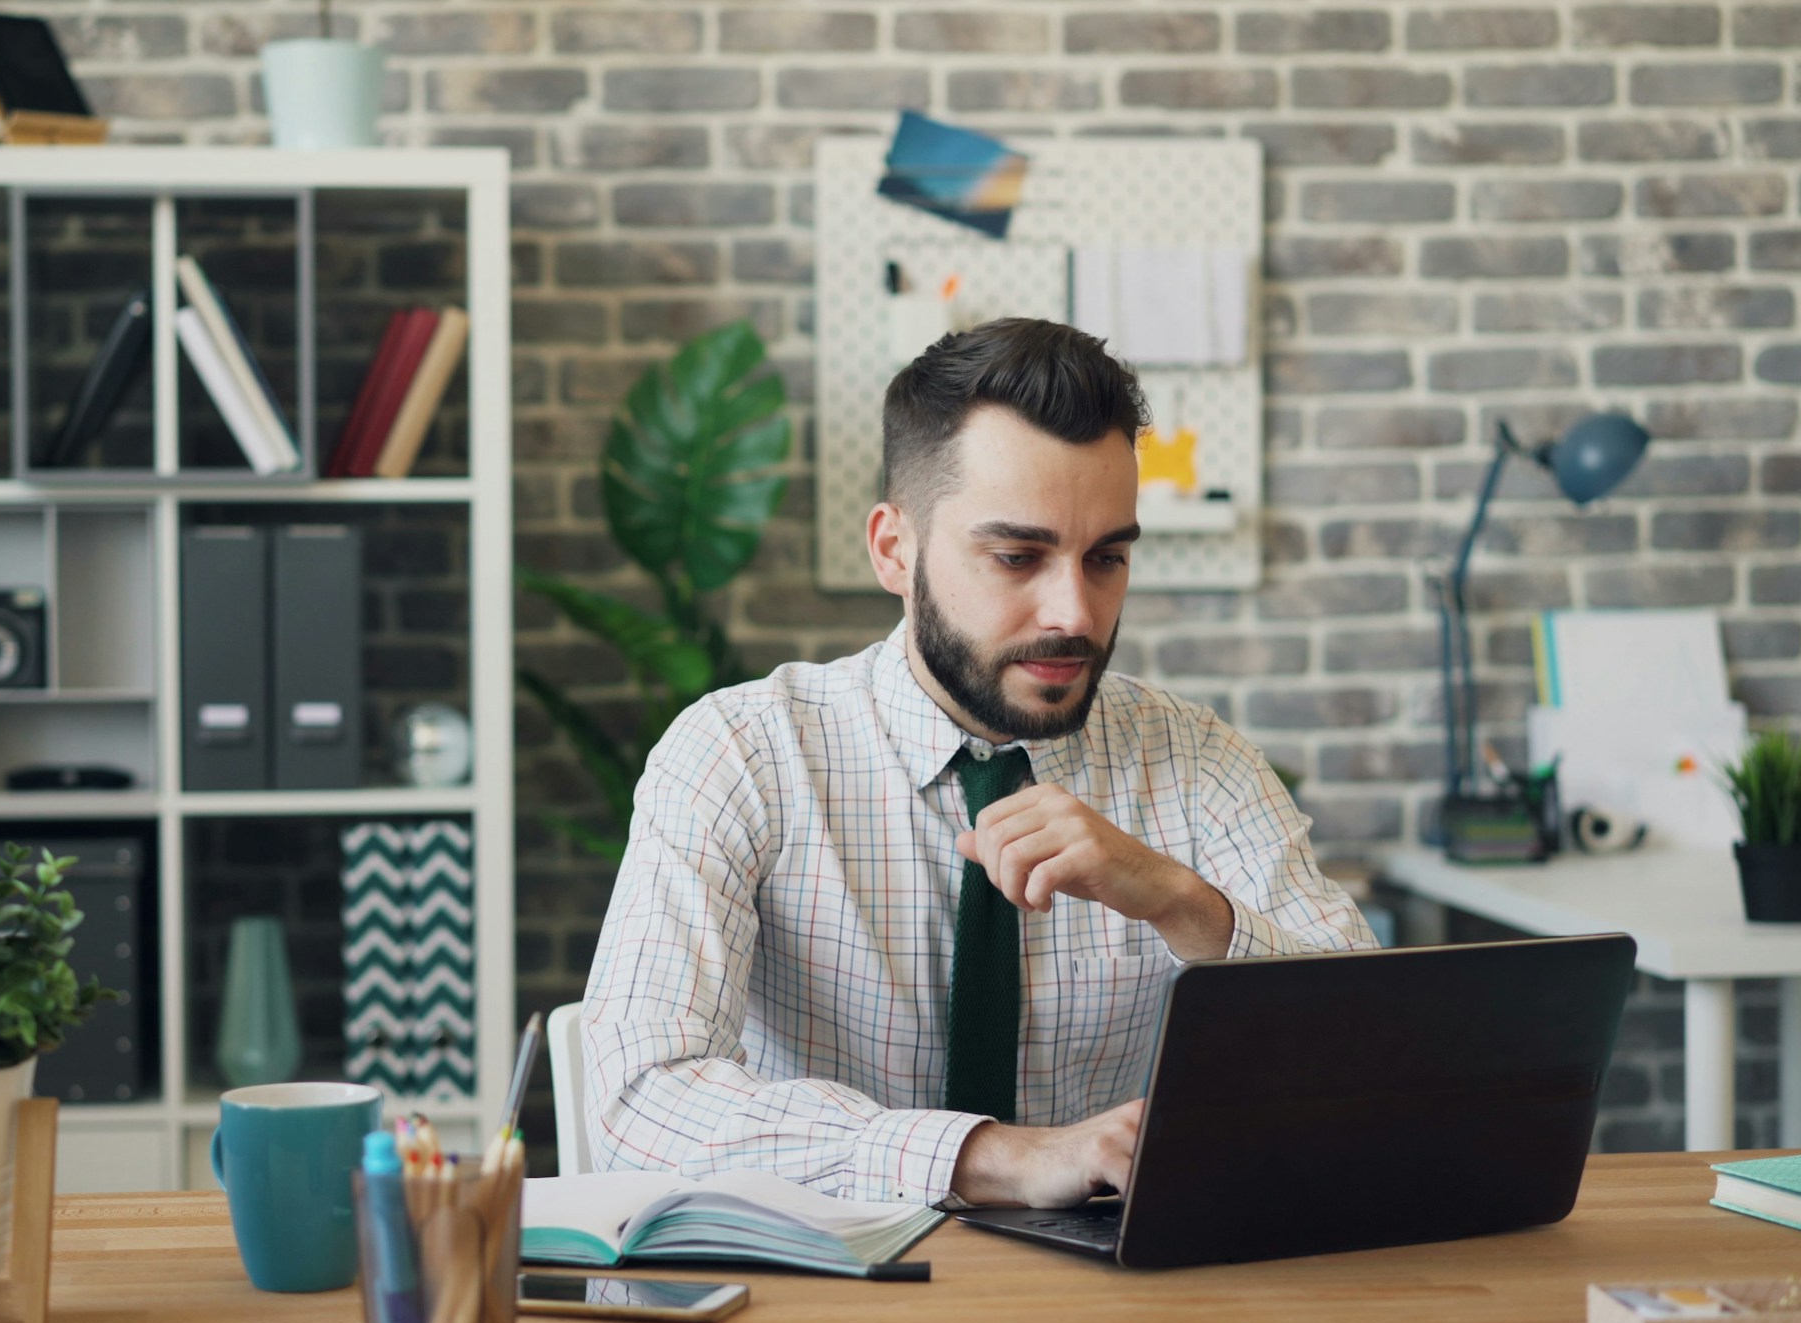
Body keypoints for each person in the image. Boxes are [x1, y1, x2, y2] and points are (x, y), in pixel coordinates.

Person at [581, 318, 1376, 1210]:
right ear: (894, 549)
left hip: (1116, 1304)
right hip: (829, 1295)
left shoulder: (1199, 762)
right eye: (1017, 556)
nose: (1073, 611)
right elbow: (640, 1103)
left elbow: (1370, 1056)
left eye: (1107, 557)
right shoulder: (745, 753)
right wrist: (995, 1157)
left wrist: (1181, 903)